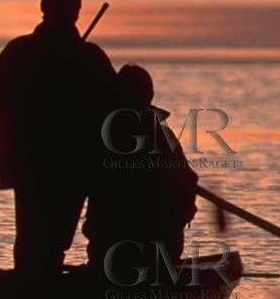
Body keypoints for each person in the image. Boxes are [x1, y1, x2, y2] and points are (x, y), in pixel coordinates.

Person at [0, 0, 115, 290]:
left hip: (30, 166)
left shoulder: (22, 51)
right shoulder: (89, 57)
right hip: (74, 167)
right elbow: (116, 106)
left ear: (43, 7)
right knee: (54, 241)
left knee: (31, 240)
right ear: (77, 10)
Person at [83, 64, 199, 282]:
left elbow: (188, 182)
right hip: (116, 244)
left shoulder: (158, 136)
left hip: (149, 246)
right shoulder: (106, 134)